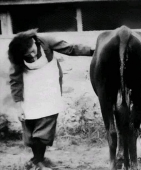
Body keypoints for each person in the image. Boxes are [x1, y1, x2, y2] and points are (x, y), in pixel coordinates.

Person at [8, 29, 94, 170]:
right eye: (27, 55)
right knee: (30, 125)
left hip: (49, 88)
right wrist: (19, 106)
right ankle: (37, 159)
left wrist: (93, 51)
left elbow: (70, 49)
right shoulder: (16, 57)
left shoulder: (46, 41)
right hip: (29, 92)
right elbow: (15, 81)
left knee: (45, 126)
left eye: (33, 51)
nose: (32, 55)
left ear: (34, 42)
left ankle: (39, 160)